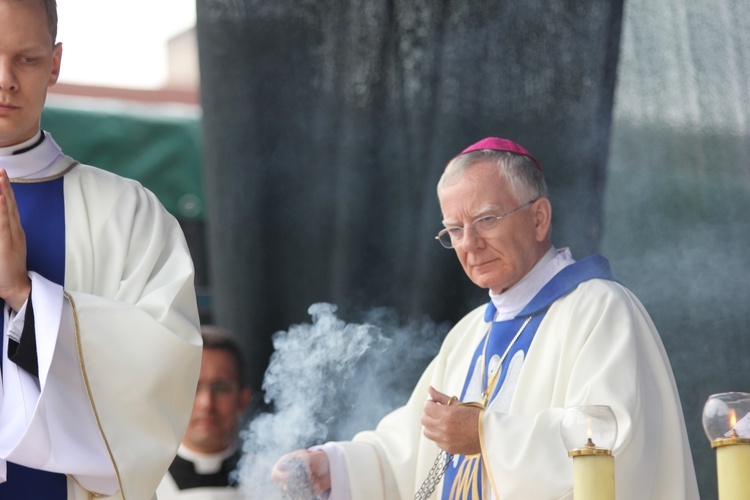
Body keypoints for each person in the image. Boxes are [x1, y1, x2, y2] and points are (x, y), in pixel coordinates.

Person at [272, 137, 700, 499]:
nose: (469, 244)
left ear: (538, 218)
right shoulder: (470, 333)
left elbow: (610, 442)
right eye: (454, 230)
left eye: (486, 220)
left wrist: (486, 435)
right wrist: (335, 464)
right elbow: (408, 453)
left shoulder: (600, 310)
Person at [0, 0, 202, 498]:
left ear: (55, 63)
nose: (5, 79)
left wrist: (28, 299)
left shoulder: (128, 214)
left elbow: (161, 371)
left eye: (26, 59)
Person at [157, 326, 253, 499]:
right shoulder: (145, 481)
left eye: (221, 388)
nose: (206, 404)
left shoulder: (269, 476)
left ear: (243, 399)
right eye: (193, 387)